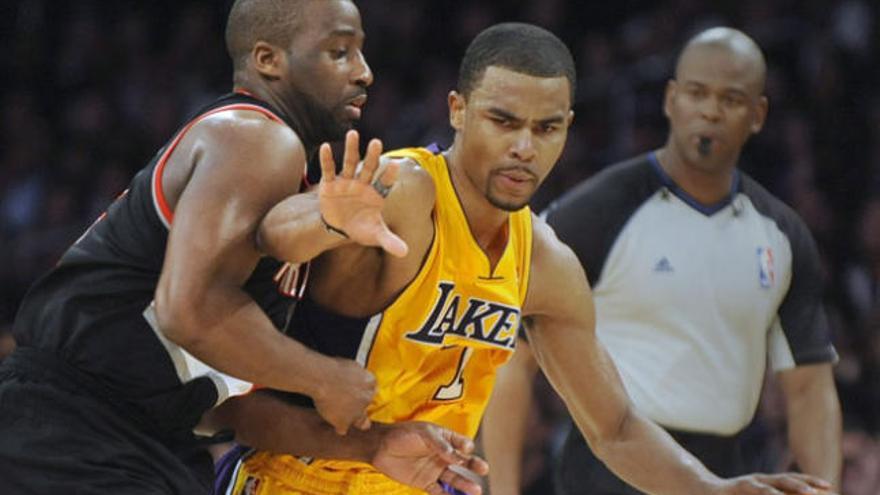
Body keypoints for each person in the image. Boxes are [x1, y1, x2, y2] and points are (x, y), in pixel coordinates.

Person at [211, 23, 834, 495]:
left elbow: (613, 426)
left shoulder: (546, 262)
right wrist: (322, 216)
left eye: (546, 128)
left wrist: (712, 490)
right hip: (291, 476)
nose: (523, 149)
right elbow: (270, 232)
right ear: (457, 110)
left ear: (567, 128)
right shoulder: (407, 190)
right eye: (502, 121)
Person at [0, 1, 481, 493]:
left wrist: (371, 445)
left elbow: (220, 407)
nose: (364, 73)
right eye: (339, 52)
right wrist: (325, 377)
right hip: (67, 431)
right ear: (268, 59)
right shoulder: (255, 137)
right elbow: (186, 309)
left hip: (143, 440)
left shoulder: (283, 186)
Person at [481, 27, 843, 495]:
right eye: (697, 93)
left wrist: (826, 487)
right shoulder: (596, 210)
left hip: (729, 463)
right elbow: (512, 361)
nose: (710, 111)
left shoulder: (783, 232)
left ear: (758, 114)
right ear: (671, 99)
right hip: (608, 464)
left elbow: (810, 387)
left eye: (731, 99)